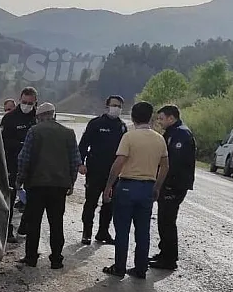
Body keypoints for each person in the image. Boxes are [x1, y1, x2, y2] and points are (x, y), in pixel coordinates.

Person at [101, 101, 168, 279]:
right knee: (143, 231)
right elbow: (165, 166)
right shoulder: (159, 139)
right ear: (151, 117)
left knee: (122, 230)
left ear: (132, 117)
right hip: (147, 187)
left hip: (127, 186)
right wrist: (157, 187)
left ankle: (120, 267)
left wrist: (109, 185)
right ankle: (140, 268)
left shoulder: (129, 137)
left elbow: (119, 162)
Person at [15, 102, 80, 269]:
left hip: (36, 185)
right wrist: (71, 182)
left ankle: (31, 258)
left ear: (39, 117)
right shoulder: (68, 133)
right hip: (59, 186)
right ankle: (56, 259)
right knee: (56, 223)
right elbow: (74, 161)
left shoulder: (34, 131)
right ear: (54, 114)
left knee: (34, 223)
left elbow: (24, 159)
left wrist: (19, 180)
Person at [150, 105, 196, 271]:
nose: (160, 122)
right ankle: (165, 253)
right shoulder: (172, 132)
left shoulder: (180, 134)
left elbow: (173, 163)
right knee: (163, 219)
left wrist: (163, 182)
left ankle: (169, 259)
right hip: (169, 184)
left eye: (162, 118)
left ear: (171, 118)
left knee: (167, 220)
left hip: (174, 185)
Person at [78, 95, 127, 245]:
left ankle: (103, 232)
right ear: (107, 106)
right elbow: (83, 145)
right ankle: (87, 232)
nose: (116, 108)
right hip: (94, 170)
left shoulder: (122, 127)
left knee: (109, 203)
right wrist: (80, 163)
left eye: (119, 106)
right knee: (91, 202)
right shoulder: (96, 123)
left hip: (113, 172)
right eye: (114, 105)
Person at [1, 87, 38, 242]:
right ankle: (6, 229)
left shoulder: (38, 118)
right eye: (24, 102)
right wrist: (22, 144)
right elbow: (2, 141)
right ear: (20, 99)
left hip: (34, 165)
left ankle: (24, 226)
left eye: (30, 103)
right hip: (13, 163)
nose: (27, 105)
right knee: (9, 198)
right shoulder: (9, 118)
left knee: (33, 199)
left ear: (35, 102)